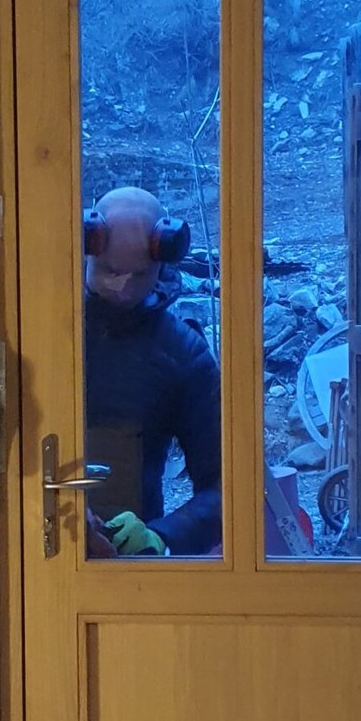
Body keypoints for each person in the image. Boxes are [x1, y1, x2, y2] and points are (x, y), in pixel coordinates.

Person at [82, 185, 221, 558]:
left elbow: (226, 487)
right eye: (111, 271)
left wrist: (161, 537)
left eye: (139, 274)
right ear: (88, 250)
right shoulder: (40, 330)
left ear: (163, 261)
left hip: (127, 562)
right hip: (32, 554)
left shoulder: (183, 354)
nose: (124, 288)